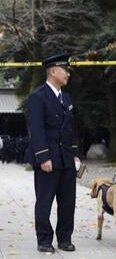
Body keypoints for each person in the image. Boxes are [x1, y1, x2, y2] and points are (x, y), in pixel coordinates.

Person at [25, 53, 80, 253]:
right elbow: (36, 129)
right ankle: (44, 240)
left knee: (68, 202)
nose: (68, 74)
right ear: (53, 71)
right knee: (45, 201)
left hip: (66, 158)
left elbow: (72, 129)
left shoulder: (66, 98)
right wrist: (43, 156)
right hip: (48, 158)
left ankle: (65, 238)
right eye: (65, 70)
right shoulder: (37, 97)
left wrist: (75, 155)